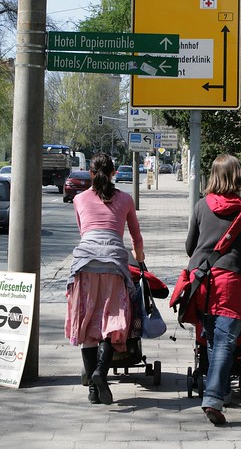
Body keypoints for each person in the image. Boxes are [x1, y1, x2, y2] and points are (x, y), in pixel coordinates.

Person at [185, 154, 241, 425]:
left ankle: (218, 390)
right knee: (225, 342)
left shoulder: (200, 206)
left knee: (209, 337)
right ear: (238, 177)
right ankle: (214, 398)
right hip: (233, 281)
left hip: (203, 282)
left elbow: (190, 247)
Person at [65, 153, 145, 405]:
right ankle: (101, 372)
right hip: (113, 266)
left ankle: (92, 389)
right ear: (113, 173)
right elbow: (136, 238)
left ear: (90, 173)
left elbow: (84, 232)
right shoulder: (125, 199)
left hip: (85, 265)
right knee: (112, 322)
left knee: (88, 323)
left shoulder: (79, 199)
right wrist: (140, 261)